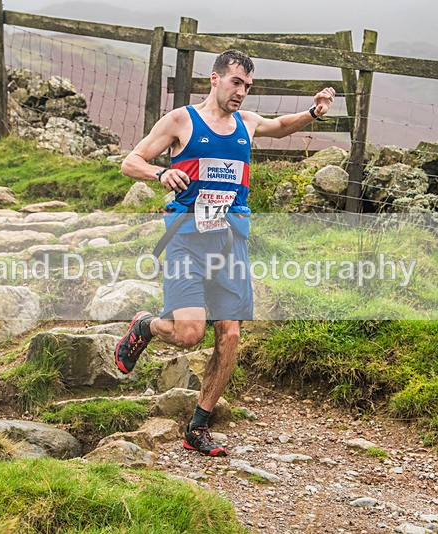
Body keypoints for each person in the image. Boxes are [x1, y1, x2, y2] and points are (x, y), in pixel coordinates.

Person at [115, 49, 335, 457]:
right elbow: (131, 161)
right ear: (214, 79)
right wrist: (161, 172)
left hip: (231, 240)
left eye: (248, 87)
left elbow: (282, 126)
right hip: (186, 239)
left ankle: (198, 426)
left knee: (230, 334)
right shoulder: (181, 120)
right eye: (236, 83)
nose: (242, 93)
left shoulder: (246, 123)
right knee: (189, 334)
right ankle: (145, 326)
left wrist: (314, 113)